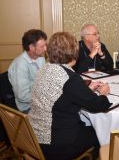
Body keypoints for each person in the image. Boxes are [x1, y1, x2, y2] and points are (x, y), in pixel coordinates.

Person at [29, 32, 111, 160]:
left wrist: (86, 89)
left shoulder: (46, 68)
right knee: (102, 132)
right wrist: (103, 93)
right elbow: (97, 105)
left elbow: (62, 95)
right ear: (74, 52)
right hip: (56, 142)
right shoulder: (69, 78)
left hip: (34, 135)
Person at [8, 29, 47, 113]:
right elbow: (22, 96)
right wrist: (45, 97)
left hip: (41, 101)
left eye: (45, 45)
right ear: (31, 47)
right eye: (42, 46)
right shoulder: (20, 65)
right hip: (28, 108)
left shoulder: (40, 58)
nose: (45, 49)